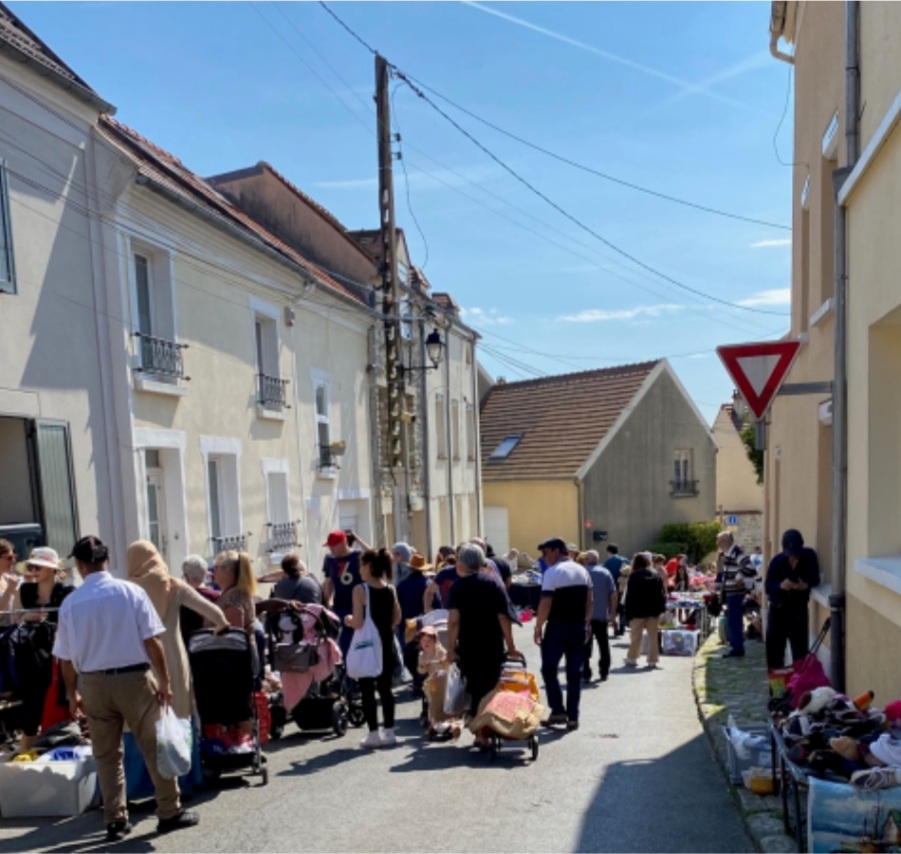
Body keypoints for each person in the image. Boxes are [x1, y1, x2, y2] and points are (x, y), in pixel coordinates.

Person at [54, 535, 198, 841]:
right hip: (134, 679)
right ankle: (169, 811)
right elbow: (152, 640)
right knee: (154, 744)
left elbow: (64, 658)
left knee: (106, 754)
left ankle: (116, 819)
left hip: (92, 682)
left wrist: (72, 693)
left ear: (80, 565)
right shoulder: (130, 592)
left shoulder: (70, 604)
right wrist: (164, 680)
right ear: (106, 560)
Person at [127, 540, 228, 721]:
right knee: (179, 719)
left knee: (149, 722)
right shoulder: (175, 585)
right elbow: (214, 613)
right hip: (174, 657)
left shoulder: (128, 590)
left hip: (141, 661)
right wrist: (219, 628)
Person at [447, 543, 518, 748]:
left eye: (459, 558)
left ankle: (480, 732)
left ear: (464, 562)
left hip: (468, 644)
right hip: (492, 643)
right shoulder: (494, 583)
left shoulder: (458, 587)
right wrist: (511, 646)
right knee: (489, 686)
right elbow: (503, 617)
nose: (457, 561)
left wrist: (451, 649)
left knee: (475, 687)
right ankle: (487, 728)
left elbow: (453, 621)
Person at [11, 547, 73, 749]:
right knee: (31, 707)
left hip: (58, 655)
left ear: (52, 569)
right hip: (30, 653)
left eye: (39, 566)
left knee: (59, 704)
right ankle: (25, 757)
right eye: (32, 566)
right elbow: (14, 619)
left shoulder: (65, 592)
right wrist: (26, 617)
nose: (34, 569)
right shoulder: (26, 590)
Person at [533, 537, 592, 730]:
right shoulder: (582, 570)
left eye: (546, 552)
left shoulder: (552, 572)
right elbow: (589, 600)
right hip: (577, 626)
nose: (544, 557)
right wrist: (587, 622)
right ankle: (573, 716)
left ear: (557, 551)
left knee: (549, 669)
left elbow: (546, 603)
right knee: (574, 673)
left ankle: (558, 710)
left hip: (557, 627)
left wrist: (538, 626)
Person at [345, 548, 400, 749]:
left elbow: (358, 622)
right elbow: (397, 618)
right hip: (386, 641)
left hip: (369, 645)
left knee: (367, 687)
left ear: (369, 566)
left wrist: (349, 620)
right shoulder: (390, 588)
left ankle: (374, 733)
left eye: (360, 565)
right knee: (386, 688)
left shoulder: (360, 590)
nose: (359, 569)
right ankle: (390, 731)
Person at [211, 550, 258, 737]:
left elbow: (234, 633)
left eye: (217, 568)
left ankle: (250, 744)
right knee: (238, 704)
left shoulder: (233, 598)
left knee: (239, 705)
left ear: (228, 572)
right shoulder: (231, 594)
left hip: (235, 659)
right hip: (233, 657)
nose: (213, 572)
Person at [765, 529, 820, 669]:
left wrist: (804, 585)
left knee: (800, 654)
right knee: (775, 653)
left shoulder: (809, 557)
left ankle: (799, 688)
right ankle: (777, 688)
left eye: (796, 554)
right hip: (778, 611)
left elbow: (815, 579)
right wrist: (781, 585)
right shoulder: (777, 562)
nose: (793, 558)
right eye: (790, 555)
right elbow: (768, 587)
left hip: (798, 612)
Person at [396, 553, 437, 696]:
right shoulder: (428, 585)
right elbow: (437, 605)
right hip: (425, 624)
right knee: (426, 653)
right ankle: (422, 680)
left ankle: (416, 679)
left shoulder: (401, 585)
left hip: (406, 626)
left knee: (409, 654)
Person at [321, 530, 363, 660]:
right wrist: (327, 603)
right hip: (340, 607)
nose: (331, 549)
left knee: (361, 644)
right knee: (344, 645)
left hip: (359, 607)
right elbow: (329, 583)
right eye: (329, 546)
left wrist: (357, 538)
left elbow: (376, 555)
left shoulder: (358, 556)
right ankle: (348, 677)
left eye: (334, 545)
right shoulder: (329, 560)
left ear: (343, 543)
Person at [624, 552, 667, 669]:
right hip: (653, 610)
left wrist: (628, 612)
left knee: (635, 636)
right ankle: (652, 660)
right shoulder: (655, 576)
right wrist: (662, 609)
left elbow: (630, 596)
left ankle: (632, 658)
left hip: (637, 610)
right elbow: (661, 595)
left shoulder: (633, 576)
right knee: (653, 636)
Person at [717, 532, 756, 659]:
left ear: (727, 540)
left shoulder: (736, 552)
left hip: (735, 592)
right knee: (734, 620)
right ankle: (736, 646)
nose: (718, 543)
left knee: (735, 620)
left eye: (720, 540)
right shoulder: (729, 552)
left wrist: (740, 576)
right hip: (731, 592)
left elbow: (750, 568)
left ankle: (737, 648)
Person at [583, 550, 617, 683]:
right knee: (603, 645)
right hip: (601, 615)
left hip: (585, 617)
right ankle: (604, 671)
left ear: (586, 559)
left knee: (585, 646)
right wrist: (613, 613)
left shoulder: (582, 573)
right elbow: (613, 595)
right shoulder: (605, 573)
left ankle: (586, 673)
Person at [179, 554, 221, 647]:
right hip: (214, 647)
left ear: (186, 576)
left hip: (189, 649)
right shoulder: (217, 597)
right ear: (205, 574)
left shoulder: (180, 599)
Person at [603, 544, 628, 635]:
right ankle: (622, 627)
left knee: (613, 608)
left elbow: (605, 575)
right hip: (624, 587)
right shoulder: (625, 560)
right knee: (622, 608)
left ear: (609, 551)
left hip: (613, 587)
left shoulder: (608, 562)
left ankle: (615, 627)